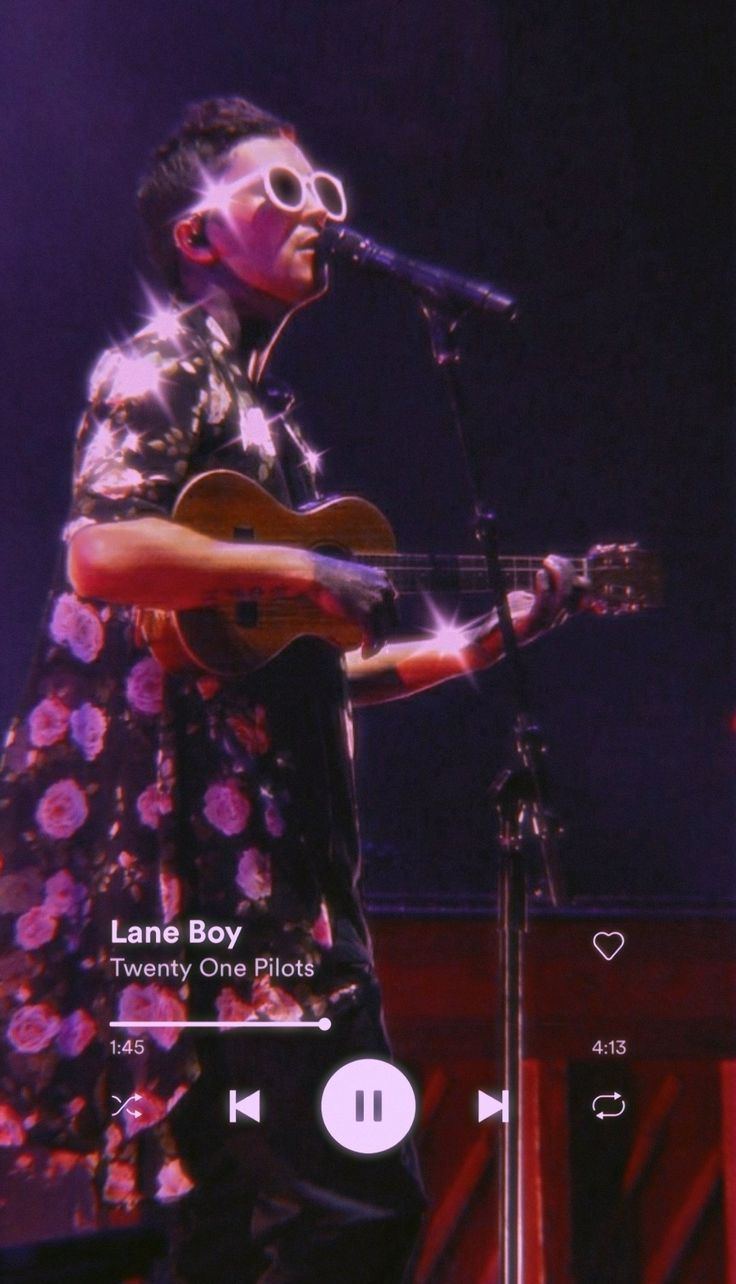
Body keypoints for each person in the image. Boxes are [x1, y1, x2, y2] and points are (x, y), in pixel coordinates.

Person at [0, 98, 582, 1282]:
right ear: (197, 237)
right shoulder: (159, 367)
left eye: (328, 194)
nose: (318, 212)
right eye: (281, 191)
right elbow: (101, 552)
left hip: (268, 871)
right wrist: (295, 563)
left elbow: (294, 677)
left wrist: (469, 647)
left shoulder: (265, 425)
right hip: (203, 885)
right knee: (351, 1205)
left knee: (230, 1224)